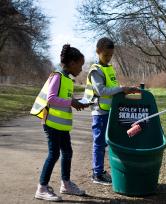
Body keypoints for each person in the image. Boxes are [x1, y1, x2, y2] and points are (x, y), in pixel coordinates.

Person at [30, 44, 88, 201]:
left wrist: (77, 102)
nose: (81, 69)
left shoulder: (67, 79)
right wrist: (71, 102)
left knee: (68, 153)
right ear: (72, 63)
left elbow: (65, 99)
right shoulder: (57, 76)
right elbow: (51, 99)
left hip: (62, 126)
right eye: (80, 65)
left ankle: (66, 184)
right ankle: (41, 188)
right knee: (54, 154)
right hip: (51, 124)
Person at [83, 37, 139, 185]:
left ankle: (101, 171)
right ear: (98, 51)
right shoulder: (96, 70)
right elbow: (101, 90)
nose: (108, 58)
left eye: (110, 56)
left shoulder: (109, 68)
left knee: (106, 143)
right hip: (100, 111)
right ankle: (97, 173)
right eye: (105, 55)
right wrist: (121, 89)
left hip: (110, 111)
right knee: (99, 143)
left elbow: (113, 86)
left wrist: (125, 90)